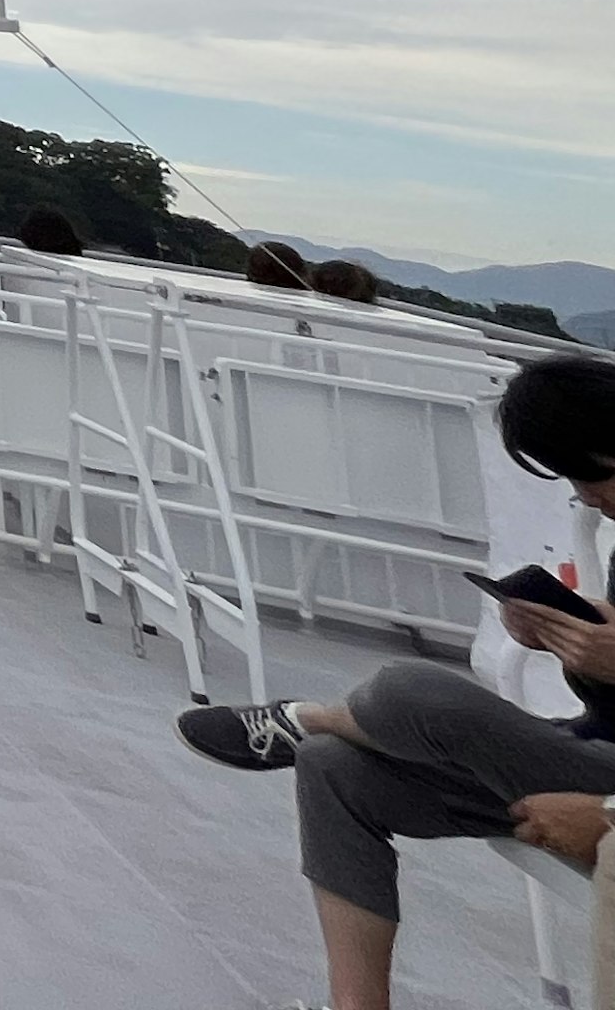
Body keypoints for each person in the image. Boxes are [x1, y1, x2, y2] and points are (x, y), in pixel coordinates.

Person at [174, 353, 615, 1010]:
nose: (583, 495)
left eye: (588, 472)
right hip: (590, 755)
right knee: (334, 770)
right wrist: (571, 642)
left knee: (412, 693)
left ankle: (307, 716)